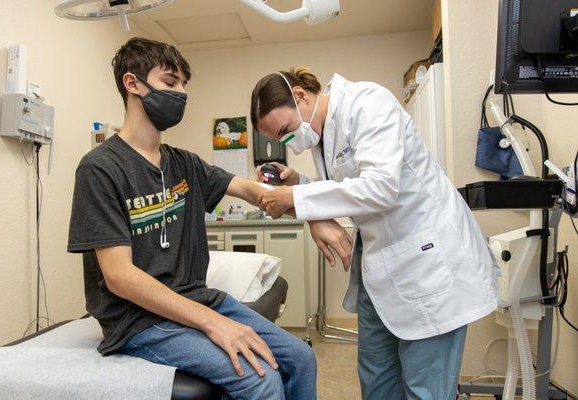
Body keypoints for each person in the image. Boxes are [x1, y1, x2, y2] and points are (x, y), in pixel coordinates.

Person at [67, 39, 352, 400]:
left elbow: (256, 193)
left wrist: (314, 215)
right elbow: (120, 277)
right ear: (133, 83)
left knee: (301, 358)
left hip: (197, 298)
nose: (182, 93)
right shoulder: (101, 168)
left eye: (185, 84)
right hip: (138, 320)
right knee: (259, 377)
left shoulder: (183, 163)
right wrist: (213, 323)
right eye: (171, 82)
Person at [251, 67, 501, 400]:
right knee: (377, 380)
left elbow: (380, 188)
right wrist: (300, 184)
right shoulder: (323, 135)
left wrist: (294, 198)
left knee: (424, 388)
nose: (287, 142)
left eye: (285, 130)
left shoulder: (366, 103)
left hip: (426, 263)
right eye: (279, 138)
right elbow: (345, 189)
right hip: (381, 266)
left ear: (300, 96)